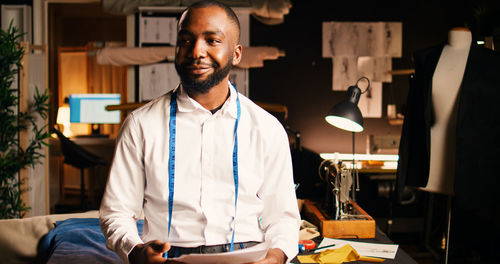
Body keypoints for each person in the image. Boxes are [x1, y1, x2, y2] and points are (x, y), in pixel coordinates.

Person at [99, 1, 301, 264]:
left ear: (236, 53)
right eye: (186, 40)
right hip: (167, 256)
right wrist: (136, 251)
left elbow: (283, 217)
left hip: (248, 256)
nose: (196, 51)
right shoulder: (140, 125)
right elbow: (116, 213)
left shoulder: (266, 128)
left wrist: (275, 257)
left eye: (212, 40)